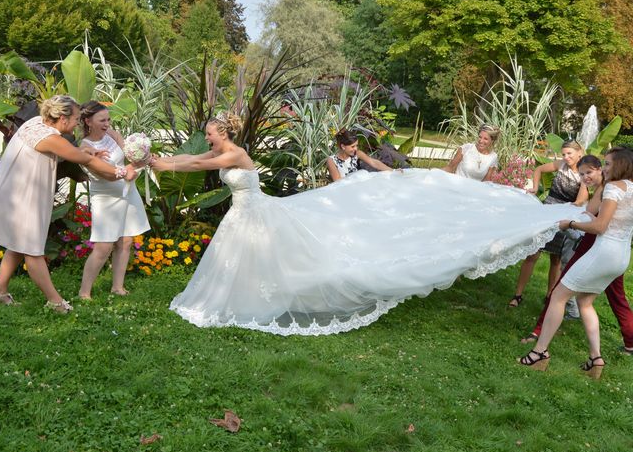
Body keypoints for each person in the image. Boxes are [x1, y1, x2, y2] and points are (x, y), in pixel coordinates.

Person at [149, 111, 584, 336]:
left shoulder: (235, 153)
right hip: (244, 213)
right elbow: (195, 159)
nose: (207, 138)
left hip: (252, 209)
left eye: (210, 133)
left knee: (266, 252)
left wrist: (169, 163)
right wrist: (158, 160)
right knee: (245, 255)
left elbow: (200, 162)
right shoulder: (218, 151)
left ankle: (250, 296)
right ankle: (238, 294)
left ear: (222, 134)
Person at [0, 95, 137, 312]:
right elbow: (85, 160)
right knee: (31, 250)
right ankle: (55, 301)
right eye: (77, 118)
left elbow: (77, 154)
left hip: (16, 191)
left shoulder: (36, 123)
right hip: (23, 197)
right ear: (62, 118)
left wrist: (85, 151)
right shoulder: (52, 139)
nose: (78, 123)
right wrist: (121, 171)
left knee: (18, 244)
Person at [518, 147, 633, 378]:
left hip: (603, 252)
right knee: (585, 302)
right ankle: (595, 359)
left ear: (620, 164)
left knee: (558, 296)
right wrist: (581, 215)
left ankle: (539, 353)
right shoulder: (631, 188)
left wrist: (570, 224)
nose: (605, 168)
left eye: (608, 164)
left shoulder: (612, 187)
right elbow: (601, 217)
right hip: (621, 256)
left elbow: (600, 227)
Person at [77, 101, 150, 299]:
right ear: (87, 121)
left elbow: (129, 154)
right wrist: (126, 172)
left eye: (108, 119)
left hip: (127, 192)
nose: (107, 123)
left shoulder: (112, 134)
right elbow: (107, 175)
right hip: (106, 197)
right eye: (102, 120)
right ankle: (84, 292)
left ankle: (117, 286)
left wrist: (144, 156)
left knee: (126, 241)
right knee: (104, 246)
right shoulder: (85, 147)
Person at [508, 140, 588, 307]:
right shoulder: (560, 165)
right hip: (546, 212)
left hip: (562, 218)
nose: (565, 157)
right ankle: (518, 294)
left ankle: (550, 296)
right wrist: (535, 187)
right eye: (563, 154)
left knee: (556, 260)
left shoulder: (583, 174)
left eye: (569, 154)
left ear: (579, 153)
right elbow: (539, 169)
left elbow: (581, 200)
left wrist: (575, 203)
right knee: (532, 254)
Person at [327, 129, 394, 181]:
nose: (356, 148)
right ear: (343, 146)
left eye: (356, 145)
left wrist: (392, 171)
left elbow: (374, 163)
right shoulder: (331, 160)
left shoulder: (357, 154)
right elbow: (337, 181)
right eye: (352, 146)